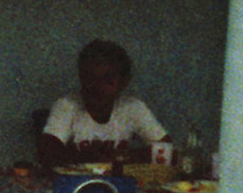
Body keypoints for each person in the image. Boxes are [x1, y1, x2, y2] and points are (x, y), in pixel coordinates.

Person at [36, 40, 165, 166]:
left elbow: (168, 150)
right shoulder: (68, 105)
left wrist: (122, 155)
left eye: (108, 80)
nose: (98, 86)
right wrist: (88, 157)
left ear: (124, 82)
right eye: (90, 78)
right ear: (81, 77)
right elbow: (47, 154)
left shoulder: (133, 107)